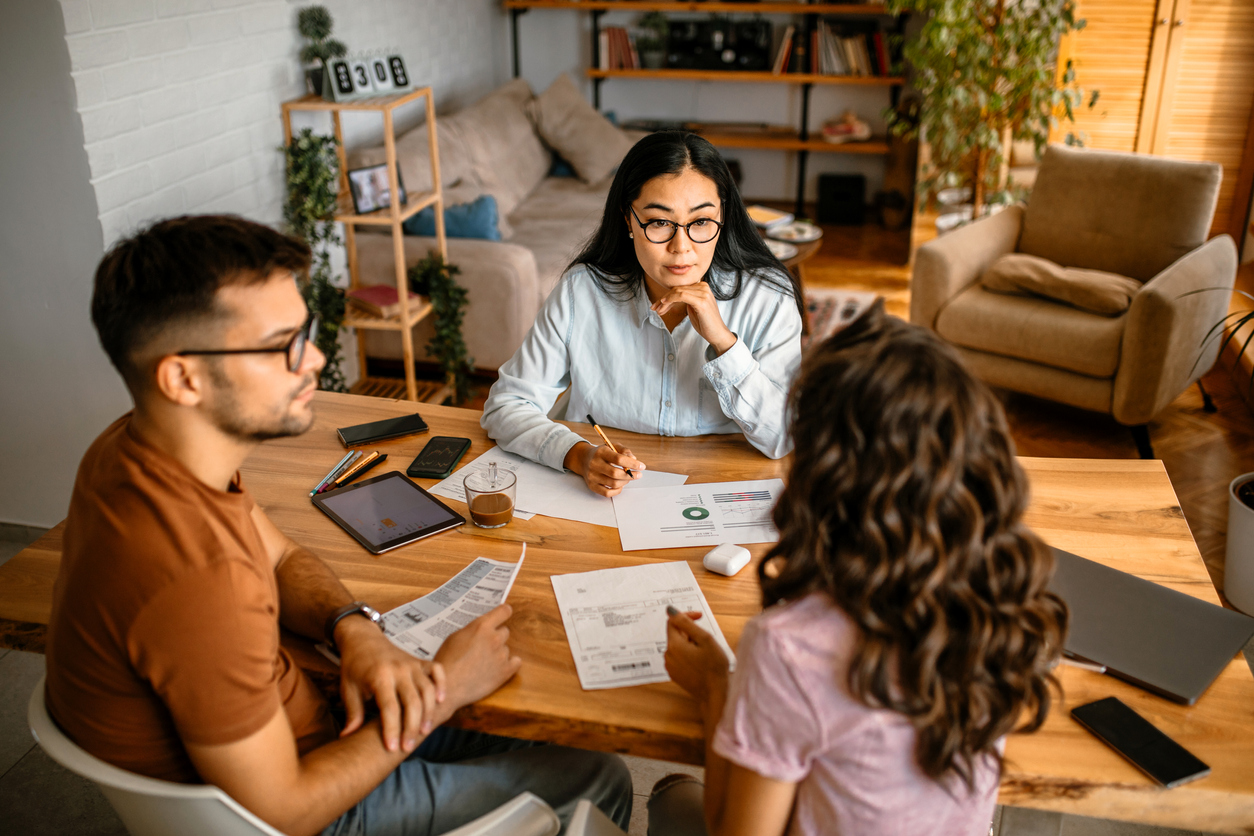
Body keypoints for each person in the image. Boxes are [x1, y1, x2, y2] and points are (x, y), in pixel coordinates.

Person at [44, 215, 632, 836]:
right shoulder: (192, 578)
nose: (318, 360)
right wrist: (442, 693)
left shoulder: (140, 449)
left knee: (542, 737)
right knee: (599, 777)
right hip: (305, 807)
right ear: (183, 378)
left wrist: (356, 631)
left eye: (308, 333)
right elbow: (285, 811)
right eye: (283, 345)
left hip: (308, 733)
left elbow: (276, 556)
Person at [654, 301, 1068, 835]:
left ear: (823, 473)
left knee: (670, 797)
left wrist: (717, 686)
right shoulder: (1004, 594)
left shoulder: (789, 648)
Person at [480, 131, 804, 497]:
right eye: (659, 222)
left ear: (724, 218)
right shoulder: (581, 291)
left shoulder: (769, 297)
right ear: (628, 220)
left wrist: (723, 343)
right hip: (600, 498)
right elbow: (507, 405)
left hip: (720, 492)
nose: (681, 248)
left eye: (700, 222)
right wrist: (578, 455)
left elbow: (782, 439)